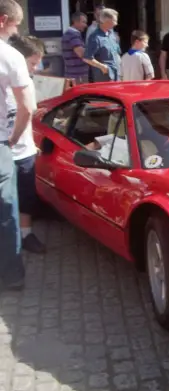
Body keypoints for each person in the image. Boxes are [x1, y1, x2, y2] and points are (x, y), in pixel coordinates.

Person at [0, 0, 33, 291]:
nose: (17, 29)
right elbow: (27, 107)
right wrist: (12, 139)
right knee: (6, 211)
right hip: (1, 141)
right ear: (2, 21)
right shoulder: (10, 56)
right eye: (15, 23)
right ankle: (11, 276)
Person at [7, 35, 46, 253]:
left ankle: (26, 234)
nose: (37, 67)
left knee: (26, 196)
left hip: (24, 152)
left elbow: (26, 114)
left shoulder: (29, 83)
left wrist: (30, 142)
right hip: (7, 150)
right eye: (33, 62)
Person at [84, 8, 121, 82]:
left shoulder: (111, 35)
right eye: (114, 21)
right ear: (106, 21)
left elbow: (117, 52)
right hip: (104, 78)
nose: (116, 23)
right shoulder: (95, 37)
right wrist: (102, 67)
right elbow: (87, 58)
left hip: (116, 75)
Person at [61, 11, 89, 85]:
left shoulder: (71, 34)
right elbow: (81, 53)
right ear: (75, 22)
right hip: (77, 77)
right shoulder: (73, 34)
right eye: (83, 22)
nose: (85, 25)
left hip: (74, 75)